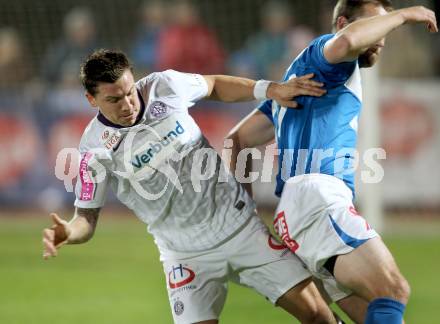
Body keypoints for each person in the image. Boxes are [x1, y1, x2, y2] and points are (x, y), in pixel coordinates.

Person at [41, 49, 345, 324]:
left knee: (318, 315)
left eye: (129, 92)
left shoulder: (165, 86)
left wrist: (269, 89)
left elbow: (213, 85)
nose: (127, 104)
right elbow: (87, 219)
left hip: (240, 230)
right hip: (184, 257)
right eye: (114, 99)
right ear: (91, 100)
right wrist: (69, 231)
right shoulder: (93, 149)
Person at [226, 1, 437, 323]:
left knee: (374, 316)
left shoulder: (294, 83)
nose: (381, 37)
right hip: (318, 199)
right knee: (392, 290)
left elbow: (236, 140)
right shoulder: (324, 55)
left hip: (297, 212)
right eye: (377, 26)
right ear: (342, 22)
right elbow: (347, 42)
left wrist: (245, 209)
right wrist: (405, 15)